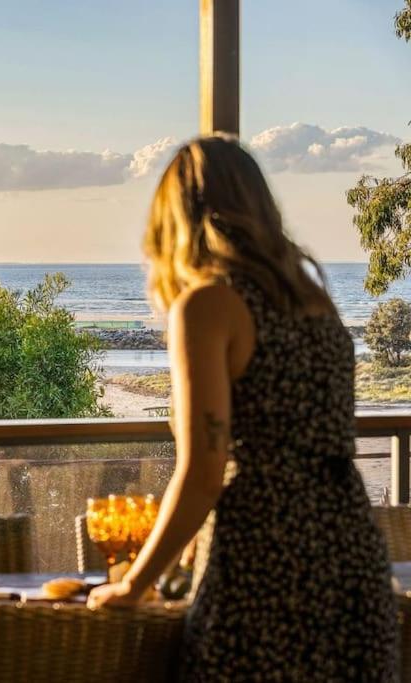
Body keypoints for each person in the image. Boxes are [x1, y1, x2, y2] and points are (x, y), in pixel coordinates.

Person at [86, 135, 398, 680]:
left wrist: (134, 586)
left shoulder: (209, 305)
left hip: (264, 554)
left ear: (177, 218)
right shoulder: (312, 301)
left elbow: (204, 473)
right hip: (349, 550)